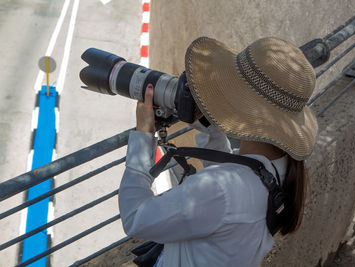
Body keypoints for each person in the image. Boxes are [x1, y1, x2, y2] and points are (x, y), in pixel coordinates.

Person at [118, 36, 318, 267]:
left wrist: (143, 136)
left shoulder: (218, 190)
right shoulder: (281, 169)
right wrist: (207, 125)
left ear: (244, 108)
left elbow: (135, 219)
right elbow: (232, 180)